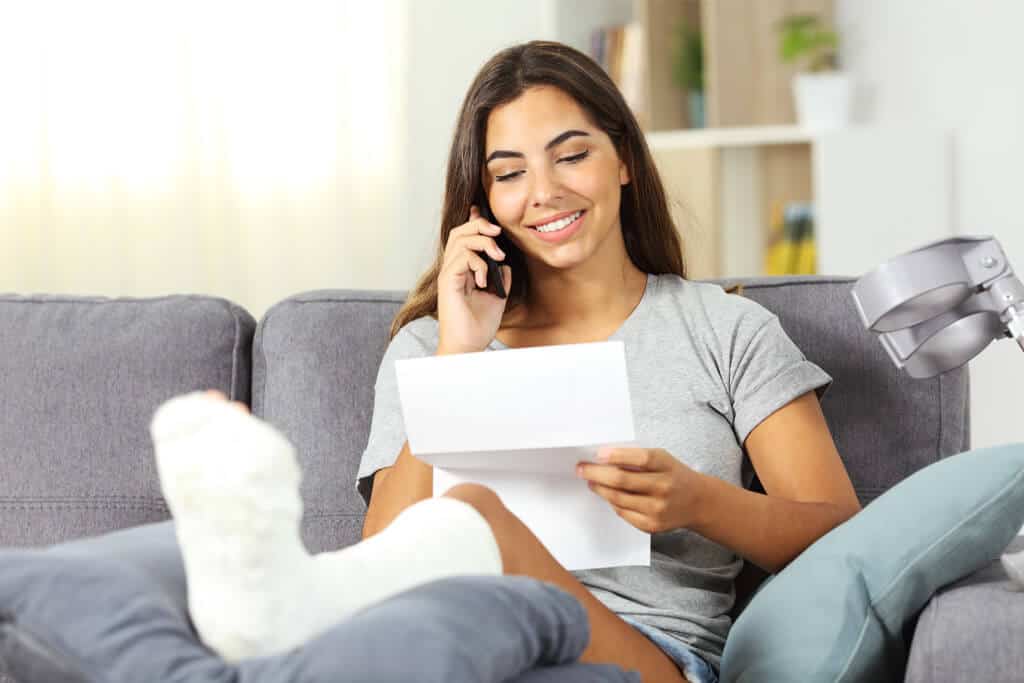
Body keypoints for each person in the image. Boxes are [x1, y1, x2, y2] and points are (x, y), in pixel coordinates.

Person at [355, 40, 862, 683]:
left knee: (477, 519)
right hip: (460, 646)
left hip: (647, 656)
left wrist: (698, 502)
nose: (544, 192)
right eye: (509, 173)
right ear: (481, 202)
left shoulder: (725, 331)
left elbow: (839, 533)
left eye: (571, 156)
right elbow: (380, 560)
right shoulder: (430, 348)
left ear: (623, 158)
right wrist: (460, 355)